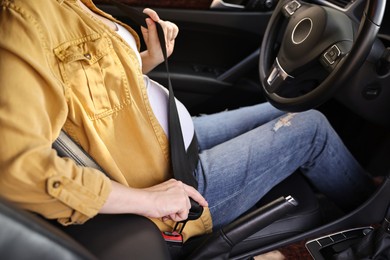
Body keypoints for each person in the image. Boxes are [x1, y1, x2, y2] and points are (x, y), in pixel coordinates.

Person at [0, 0, 376, 245]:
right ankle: (377, 217)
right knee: (310, 129)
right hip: (172, 181)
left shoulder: (71, 6)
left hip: (171, 140)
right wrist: (148, 200)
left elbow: (85, 96)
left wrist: (148, 59)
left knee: (285, 110)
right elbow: (15, 170)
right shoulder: (23, 20)